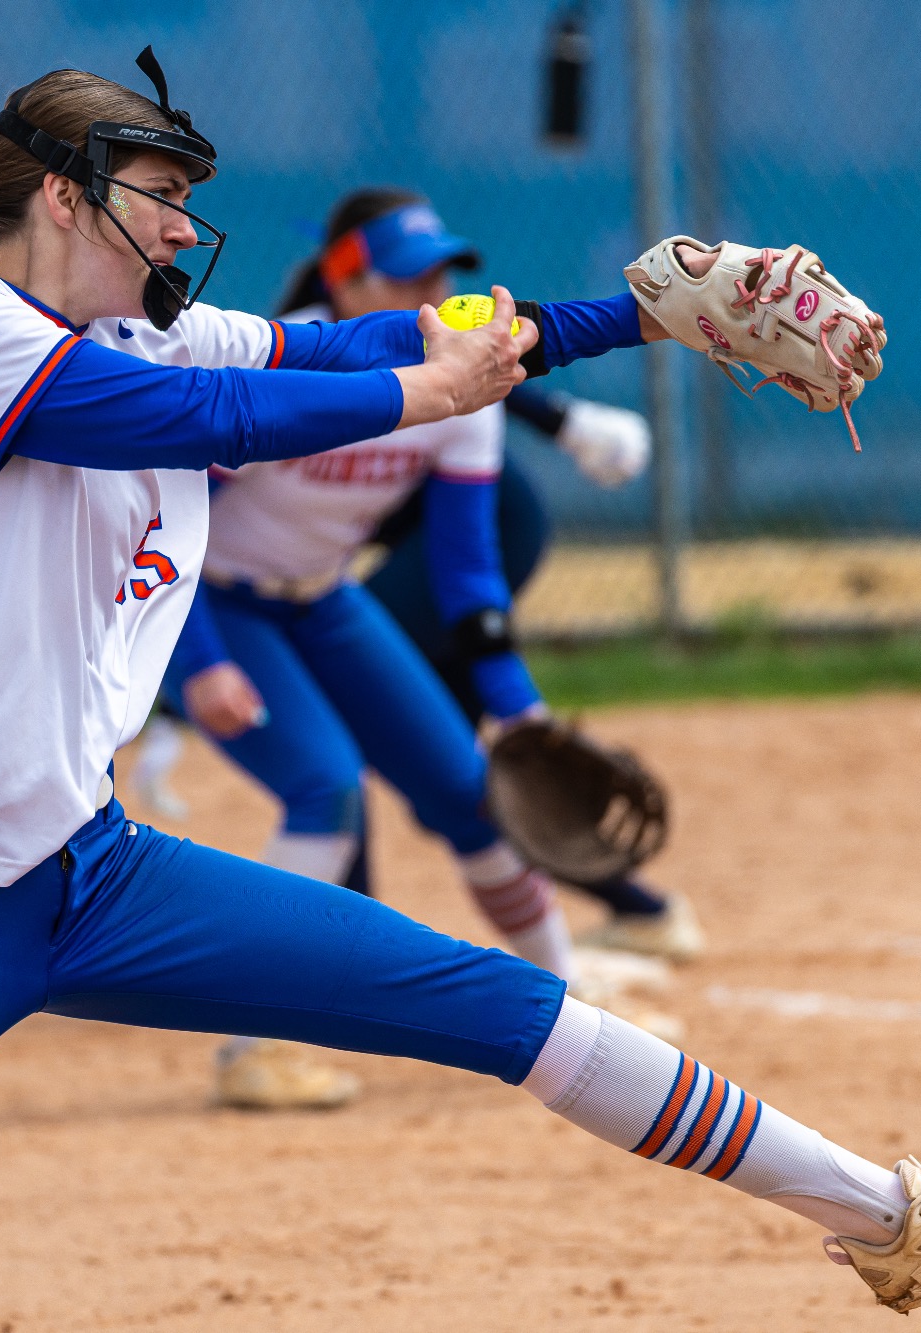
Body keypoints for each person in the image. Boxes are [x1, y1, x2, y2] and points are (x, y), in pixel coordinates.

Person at [0, 54, 921, 1333]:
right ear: (59, 195)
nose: (184, 228)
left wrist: (632, 316)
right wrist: (421, 397)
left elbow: (369, 339)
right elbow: (189, 415)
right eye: (157, 194)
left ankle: (895, 1217)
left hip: (95, 876)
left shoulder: (131, 325)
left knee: (511, 1009)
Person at [159, 188, 685, 1111]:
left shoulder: (464, 380)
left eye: (441, 273)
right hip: (210, 601)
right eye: (408, 276)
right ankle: (252, 1048)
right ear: (345, 278)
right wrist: (200, 660)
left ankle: (567, 1002)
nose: (432, 293)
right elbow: (162, 513)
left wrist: (517, 705)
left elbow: (467, 568)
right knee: (325, 788)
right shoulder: (287, 361)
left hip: (324, 597)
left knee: (473, 789)